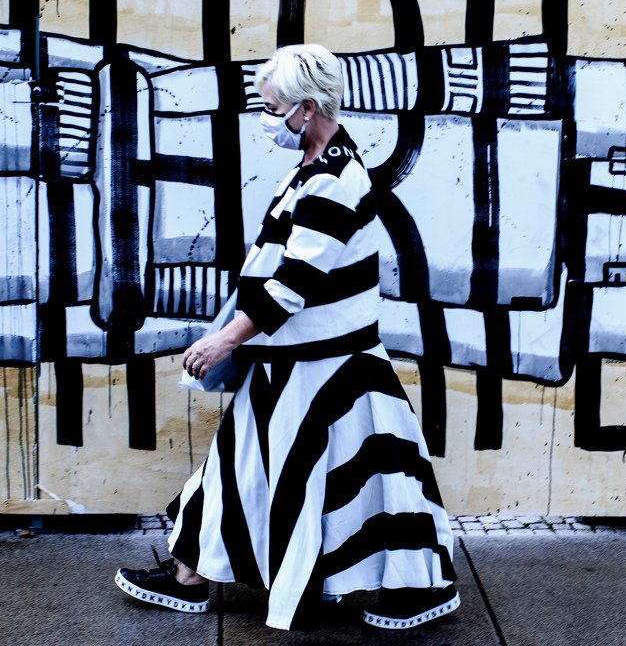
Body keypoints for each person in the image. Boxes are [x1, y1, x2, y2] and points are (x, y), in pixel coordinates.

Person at [114, 44, 459, 631]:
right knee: (272, 468)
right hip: (303, 361)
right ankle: (190, 576)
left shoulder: (333, 180)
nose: (267, 119)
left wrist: (224, 341)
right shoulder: (318, 166)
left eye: (273, 108)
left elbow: (293, 283)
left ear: (307, 107)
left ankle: (421, 586)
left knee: (374, 479)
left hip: (328, 366)